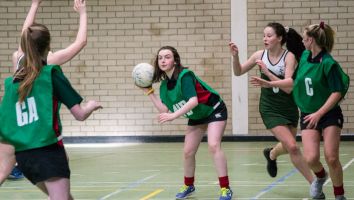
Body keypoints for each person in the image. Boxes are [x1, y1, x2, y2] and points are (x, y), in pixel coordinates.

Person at [0, 21, 101, 199]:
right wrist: (91, 106)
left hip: (24, 156)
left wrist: (34, 5)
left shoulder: (14, 80)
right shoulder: (51, 74)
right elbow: (80, 115)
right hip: (47, 150)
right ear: (48, 46)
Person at [251, 22, 349, 200]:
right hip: (308, 113)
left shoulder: (328, 63)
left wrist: (319, 113)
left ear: (311, 41)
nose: (303, 42)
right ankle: (320, 177)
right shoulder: (303, 57)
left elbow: (337, 92)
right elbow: (291, 83)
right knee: (311, 158)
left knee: (331, 157)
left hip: (328, 114)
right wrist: (269, 83)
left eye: (305, 39)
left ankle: (339, 195)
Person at [141, 46, 233, 200]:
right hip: (197, 116)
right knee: (188, 152)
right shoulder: (164, 86)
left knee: (213, 145)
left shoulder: (185, 76)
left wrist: (174, 116)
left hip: (213, 110)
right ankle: (189, 185)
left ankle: (225, 188)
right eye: (160, 57)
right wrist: (149, 91)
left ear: (175, 61)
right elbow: (164, 109)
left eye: (167, 57)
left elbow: (193, 101)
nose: (163, 60)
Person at [229, 22, 314, 185]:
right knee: (293, 147)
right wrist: (235, 56)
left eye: (269, 36)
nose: (265, 39)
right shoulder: (259, 55)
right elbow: (238, 71)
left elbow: (288, 88)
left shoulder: (289, 56)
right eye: (264, 35)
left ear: (280, 38)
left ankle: (271, 154)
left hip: (288, 106)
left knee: (287, 143)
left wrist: (268, 75)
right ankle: (314, 184)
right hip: (269, 108)